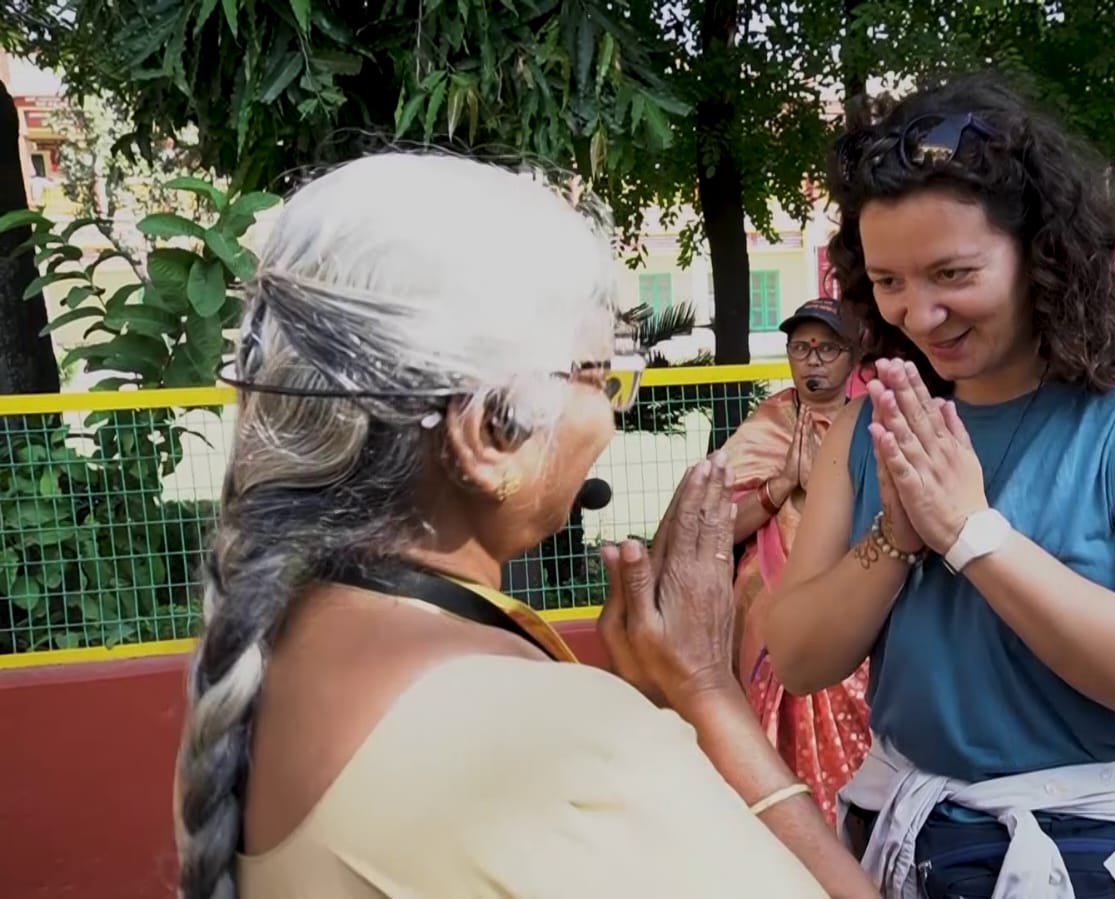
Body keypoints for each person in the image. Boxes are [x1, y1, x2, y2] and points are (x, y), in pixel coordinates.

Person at [171, 153, 877, 899]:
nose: (609, 416)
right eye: (601, 378)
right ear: (488, 433)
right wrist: (706, 692)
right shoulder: (555, 742)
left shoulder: (281, 643)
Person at [761, 75, 1115, 898]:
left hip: (1089, 849)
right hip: (908, 833)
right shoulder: (871, 426)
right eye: (888, 281)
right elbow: (800, 657)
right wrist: (896, 536)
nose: (919, 314)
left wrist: (972, 534)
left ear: (1040, 254)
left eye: (952, 273)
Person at [723, 296, 871, 825]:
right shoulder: (769, 423)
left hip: (851, 603)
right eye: (801, 347)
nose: (812, 360)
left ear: (854, 356)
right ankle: (787, 834)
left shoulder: (873, 422)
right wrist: (783, 484)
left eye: (828, 348)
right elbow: (718, 525)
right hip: (767, 610)